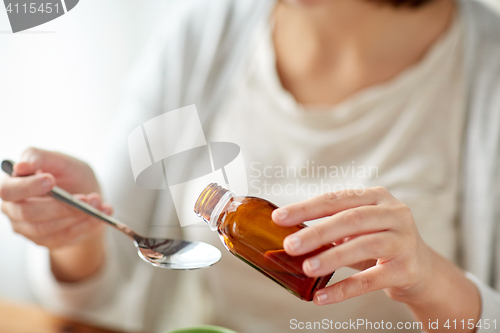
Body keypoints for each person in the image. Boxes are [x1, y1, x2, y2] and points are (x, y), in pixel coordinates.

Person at [1, 0, 500, 332]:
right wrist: (78, 234)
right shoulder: (203, 31)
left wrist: (432, 283)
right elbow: (94, 302)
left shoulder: (484, 70)